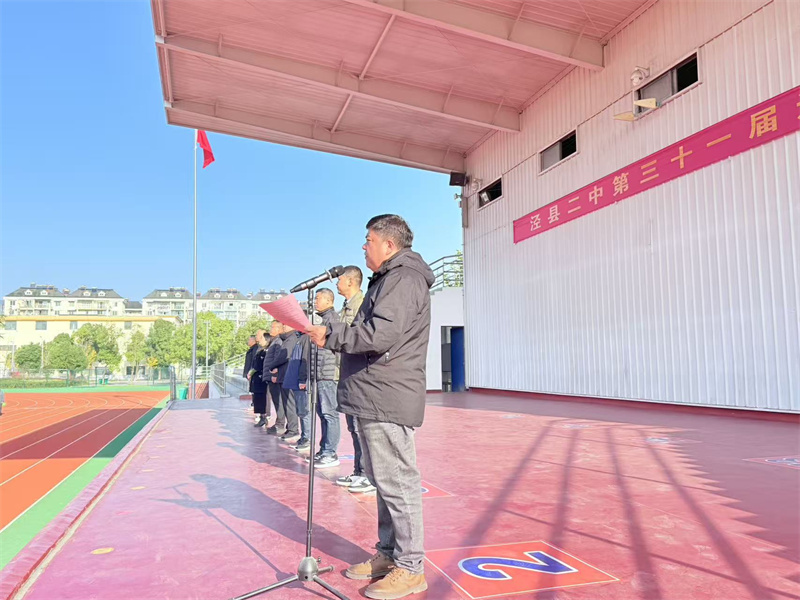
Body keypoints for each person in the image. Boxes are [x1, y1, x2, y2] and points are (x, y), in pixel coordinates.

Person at [308, 214, 434, 600]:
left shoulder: (404, 278)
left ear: (389, 245)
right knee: (383, 481)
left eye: (369, 240)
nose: (364, 247)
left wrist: (331, 336)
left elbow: (380, 335)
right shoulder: (389, 278)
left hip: (386, 394)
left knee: (397, 482)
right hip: (373, 391)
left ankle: (410, 568)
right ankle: (389, 554)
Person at [333, 265, 375, 493]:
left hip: (358, 373)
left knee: (361, 428)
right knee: (353, 427)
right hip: (346, 371)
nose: (337, 283)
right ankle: (359, 471)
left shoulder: (362, 304)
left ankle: (368, 475)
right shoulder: (346, 306)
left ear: (350, 281)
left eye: (339, 279)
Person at [308, 288, 340, 468]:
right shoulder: (323, 320)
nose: (315, 301)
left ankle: (330, 453)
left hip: (327, 374)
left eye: (318, 298)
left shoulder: (333, 320)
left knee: (330, 414)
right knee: (322, 414)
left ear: (329, 301)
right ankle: (324, 449)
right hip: (319, 375)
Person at [263, 323, 300, 441]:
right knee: (285, 403)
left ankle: (293, 429)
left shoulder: (291, 339)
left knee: (289, 404)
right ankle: (290, 428)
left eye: (285, 325)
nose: (284, 326)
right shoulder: (286, 339)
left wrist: (273, 367)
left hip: (286, 375)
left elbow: (283, 356)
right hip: (283, 375)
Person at [282, 327, 310, 451]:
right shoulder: (300, 338)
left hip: (300, 381)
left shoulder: (306, 338)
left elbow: (305, 359)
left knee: (304, 411)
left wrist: (302, 379)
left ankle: (307, 438)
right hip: (296, 380)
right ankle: (304, 437)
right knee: (301, 411)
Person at [263, 321, 286, 435]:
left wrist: (274, 374)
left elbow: (277, 358)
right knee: (277, 401)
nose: (270, 329)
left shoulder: (278, 341)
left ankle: (280, 424)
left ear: (279, 329)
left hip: (274, 377)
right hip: (271, 376)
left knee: (279, 401)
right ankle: (278, 423)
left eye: (273, 327)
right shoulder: (274, 341)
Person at [247, 329, 270, 427]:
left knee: (262, 398)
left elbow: (259, 365)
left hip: (262, 377)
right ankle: (261, 416)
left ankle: (264, 417)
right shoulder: (259, 350)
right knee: (257, 397)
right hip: (256, 378)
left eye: (261, 338)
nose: (259, 339)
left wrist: (252, 371)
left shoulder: (265, 351)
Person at [243, 335, 258, 415]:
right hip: (249, 372)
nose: (248, 342)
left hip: (252, 373)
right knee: (252, 390)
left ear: (253, 341)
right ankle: (253, 404)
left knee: (254, 390)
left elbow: (253, 362)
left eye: (249, 340)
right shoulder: (251, 350)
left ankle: (255, 405)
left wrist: (250, 372)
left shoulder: (255, 349)